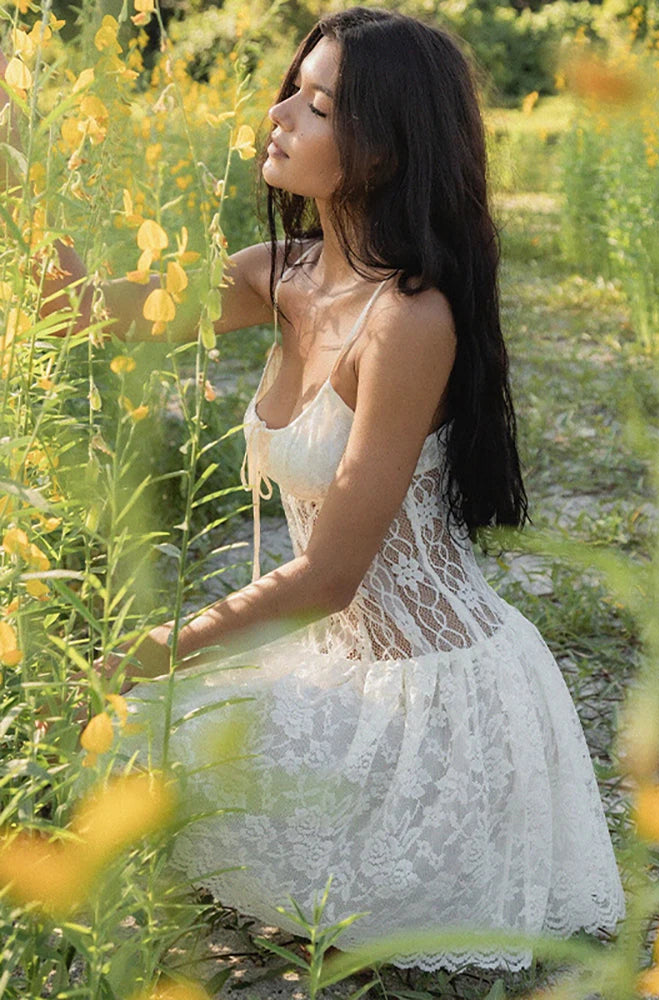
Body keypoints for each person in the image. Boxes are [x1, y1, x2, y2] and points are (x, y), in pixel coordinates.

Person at [1, 6, 625, 970]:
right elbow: (79, 311)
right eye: (293, 87)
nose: (281, 112)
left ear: (385, 146)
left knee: (133, 743)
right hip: (330, 656)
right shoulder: (279, 275)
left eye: (319, 102)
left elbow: (330, 576)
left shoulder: (411, 319)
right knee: (109, 749)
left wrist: (158, 649)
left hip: (430, 699)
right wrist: (16, 155)